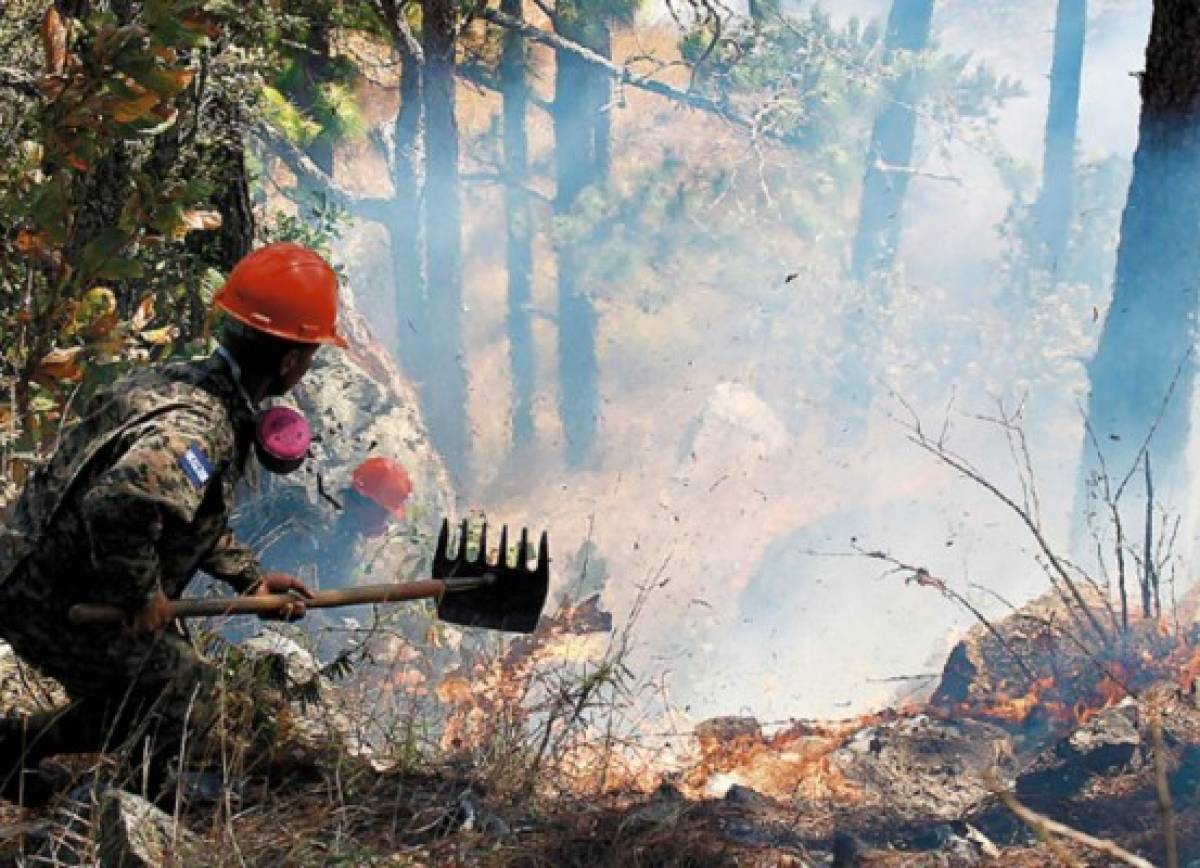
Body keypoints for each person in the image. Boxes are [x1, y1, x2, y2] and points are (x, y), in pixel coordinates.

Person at [0, 242, 345, 806]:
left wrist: (250, 580)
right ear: (287, 361)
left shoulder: (179, 381)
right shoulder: (199, 425)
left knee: (154, 681)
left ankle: (13, 749)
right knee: (187, 690)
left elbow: (187, 510)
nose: (307, 366)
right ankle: (139, 806)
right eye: (309, 354)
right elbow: (118, 504)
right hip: (52, 597)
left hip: (36, 570)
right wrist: (141, 592)